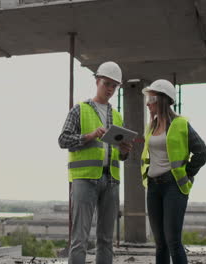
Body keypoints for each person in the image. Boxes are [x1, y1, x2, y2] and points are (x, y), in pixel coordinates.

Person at [58, 61, 133, 264]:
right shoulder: (79, 110)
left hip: (111, 181)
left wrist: (124, 152)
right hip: (85, 179)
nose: (109, 89)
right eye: (106, 83)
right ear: (97, 81)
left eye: (113, 86)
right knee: (80, 238)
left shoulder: (117, 116)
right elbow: (63, 140)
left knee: (106, 240)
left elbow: (119, 155)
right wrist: (89, 135)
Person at [140, 79, 206, 264]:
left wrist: (186, 173)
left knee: (173, 241)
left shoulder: (180, 124)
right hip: (153, 187)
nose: (147, 103)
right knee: (160, 243)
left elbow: (202, 152)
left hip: (173, 187)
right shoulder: (151, 126)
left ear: (162, 100)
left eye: (151, 98)